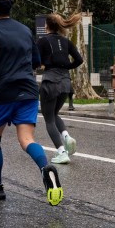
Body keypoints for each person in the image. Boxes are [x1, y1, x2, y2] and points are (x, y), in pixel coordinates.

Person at [0, 0, 63, 205]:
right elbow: (36, 59)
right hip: (28, 90)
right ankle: (46, 168)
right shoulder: (25, 30)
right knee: (26, 139)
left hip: (3, 91)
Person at [37, 12, 83, 164]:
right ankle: (66, 137)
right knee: (55, 113)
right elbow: (79, 60)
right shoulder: (66, 41)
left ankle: (62, 152)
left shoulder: (42, 41)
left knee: (48, 118)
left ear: (47, 26)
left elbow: (35, 61)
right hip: (65, 82)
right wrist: (66, 67)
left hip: (50, 81)